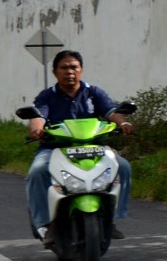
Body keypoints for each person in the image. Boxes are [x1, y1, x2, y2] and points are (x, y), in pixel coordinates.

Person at [27, 50, 133, 243]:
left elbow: (111, 111)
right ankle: (44, 225)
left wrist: (123, 123)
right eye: (64, 67)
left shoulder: (93, 93)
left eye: (74, 67)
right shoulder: (47, 96)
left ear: (81, 70)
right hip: (55, 148)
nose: (70, 72)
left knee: (123, 166)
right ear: (55, 72)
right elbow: (38, 116)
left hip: (94, 147)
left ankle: (114, 218)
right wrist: (36, 129)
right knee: (37, 171)